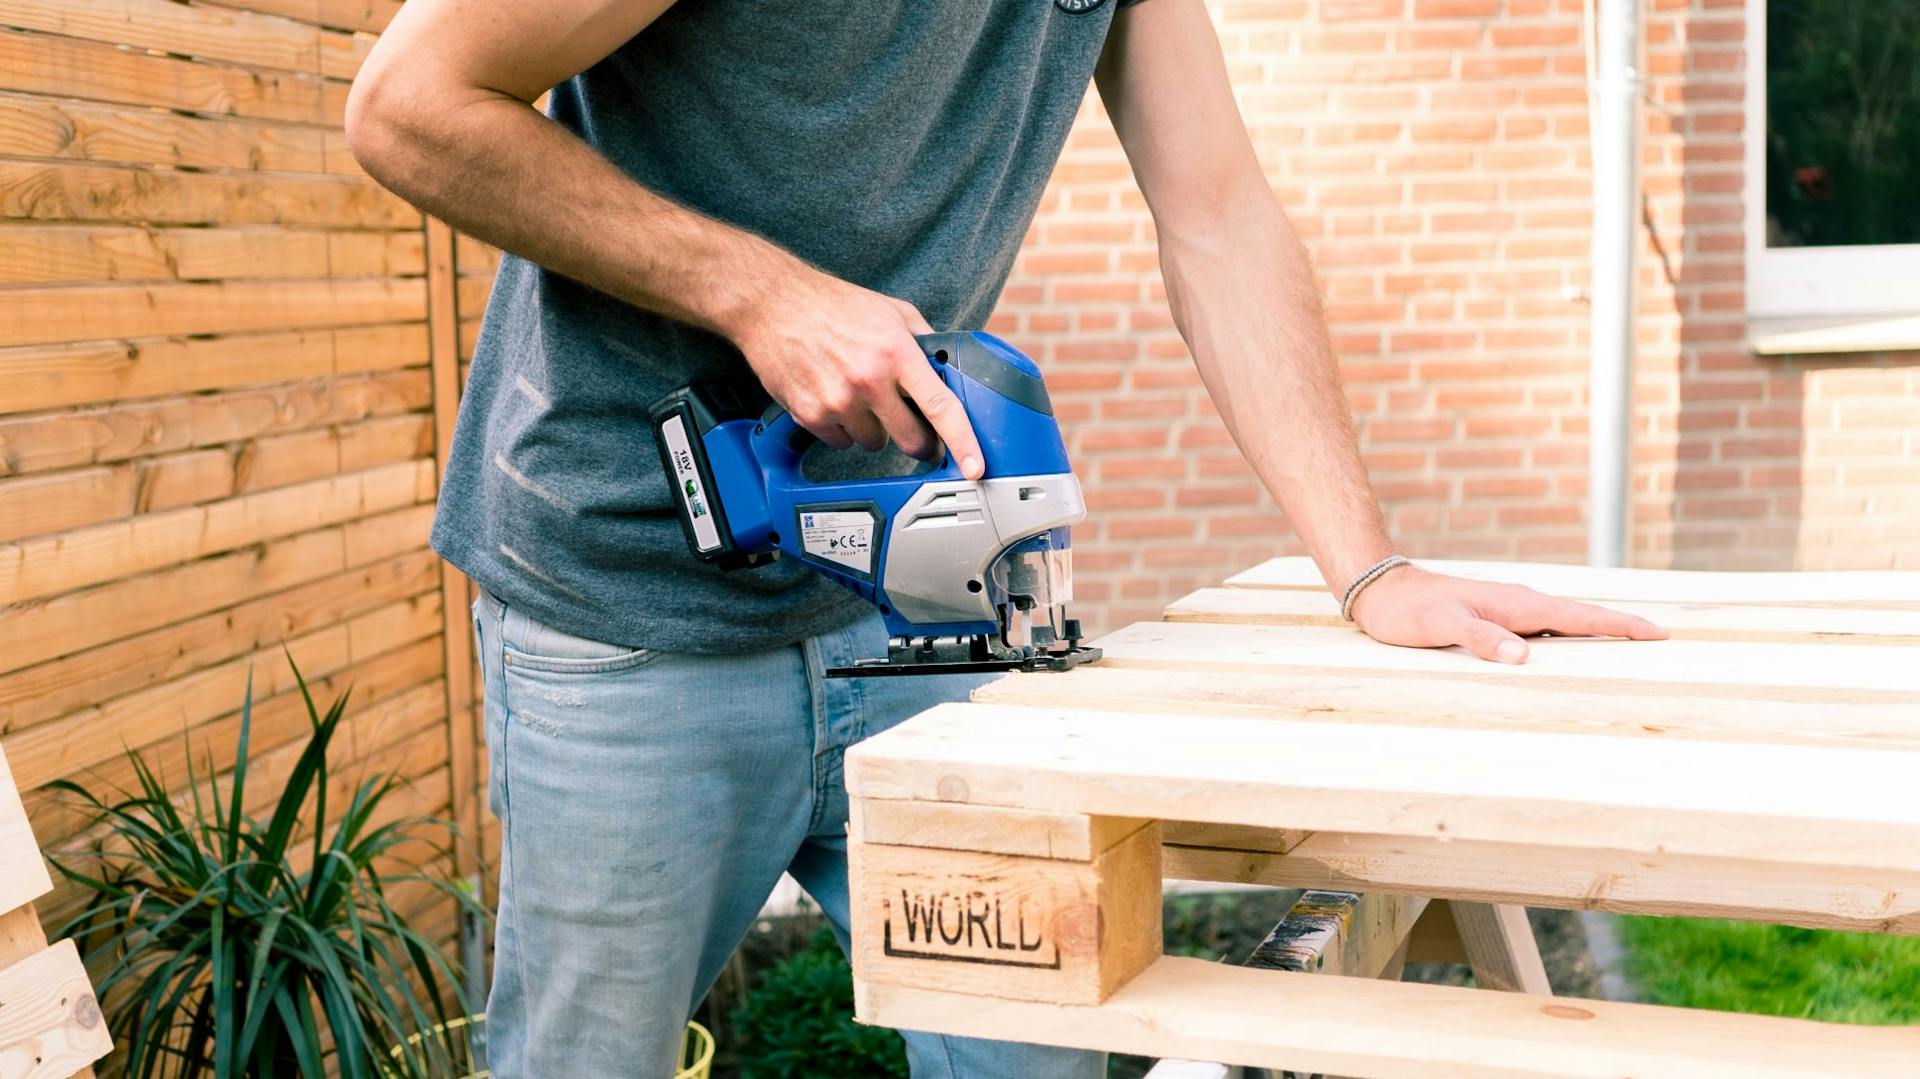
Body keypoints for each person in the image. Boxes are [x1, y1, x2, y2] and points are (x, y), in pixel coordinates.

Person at [347, 1, 1666, 1074]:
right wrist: (759, 293)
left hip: (928, 592)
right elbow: (408, 104)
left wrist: (1370, 569)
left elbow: (1216, 209)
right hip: (630, 604)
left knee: (1032, 1051)